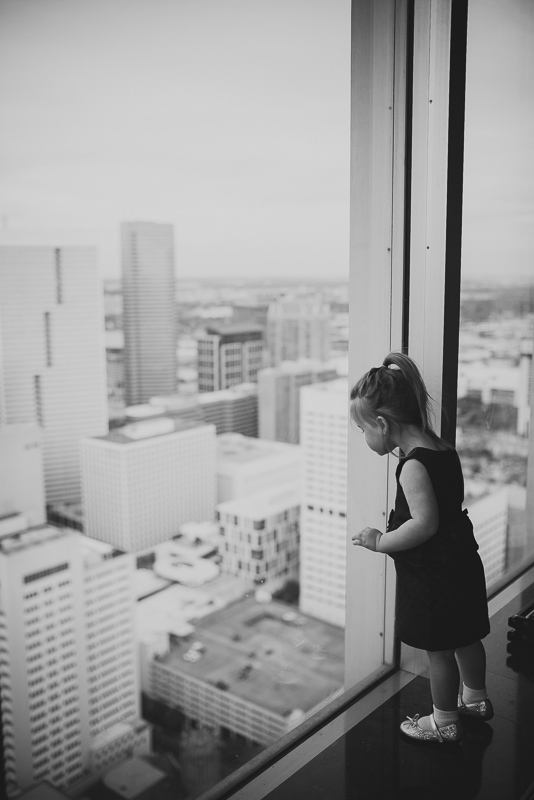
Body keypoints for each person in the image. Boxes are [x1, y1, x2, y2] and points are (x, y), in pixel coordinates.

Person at [350, 351, 493, 744]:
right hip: (462, 560)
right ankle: (476, 699)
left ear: (382, 423)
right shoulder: (444, 448)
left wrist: (380, 541)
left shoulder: (413, 465)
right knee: (467, 637)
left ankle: (445, 721)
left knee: (440, 649)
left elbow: (424, 524)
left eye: (362, 429)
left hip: (436, 574)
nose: (363, 437)